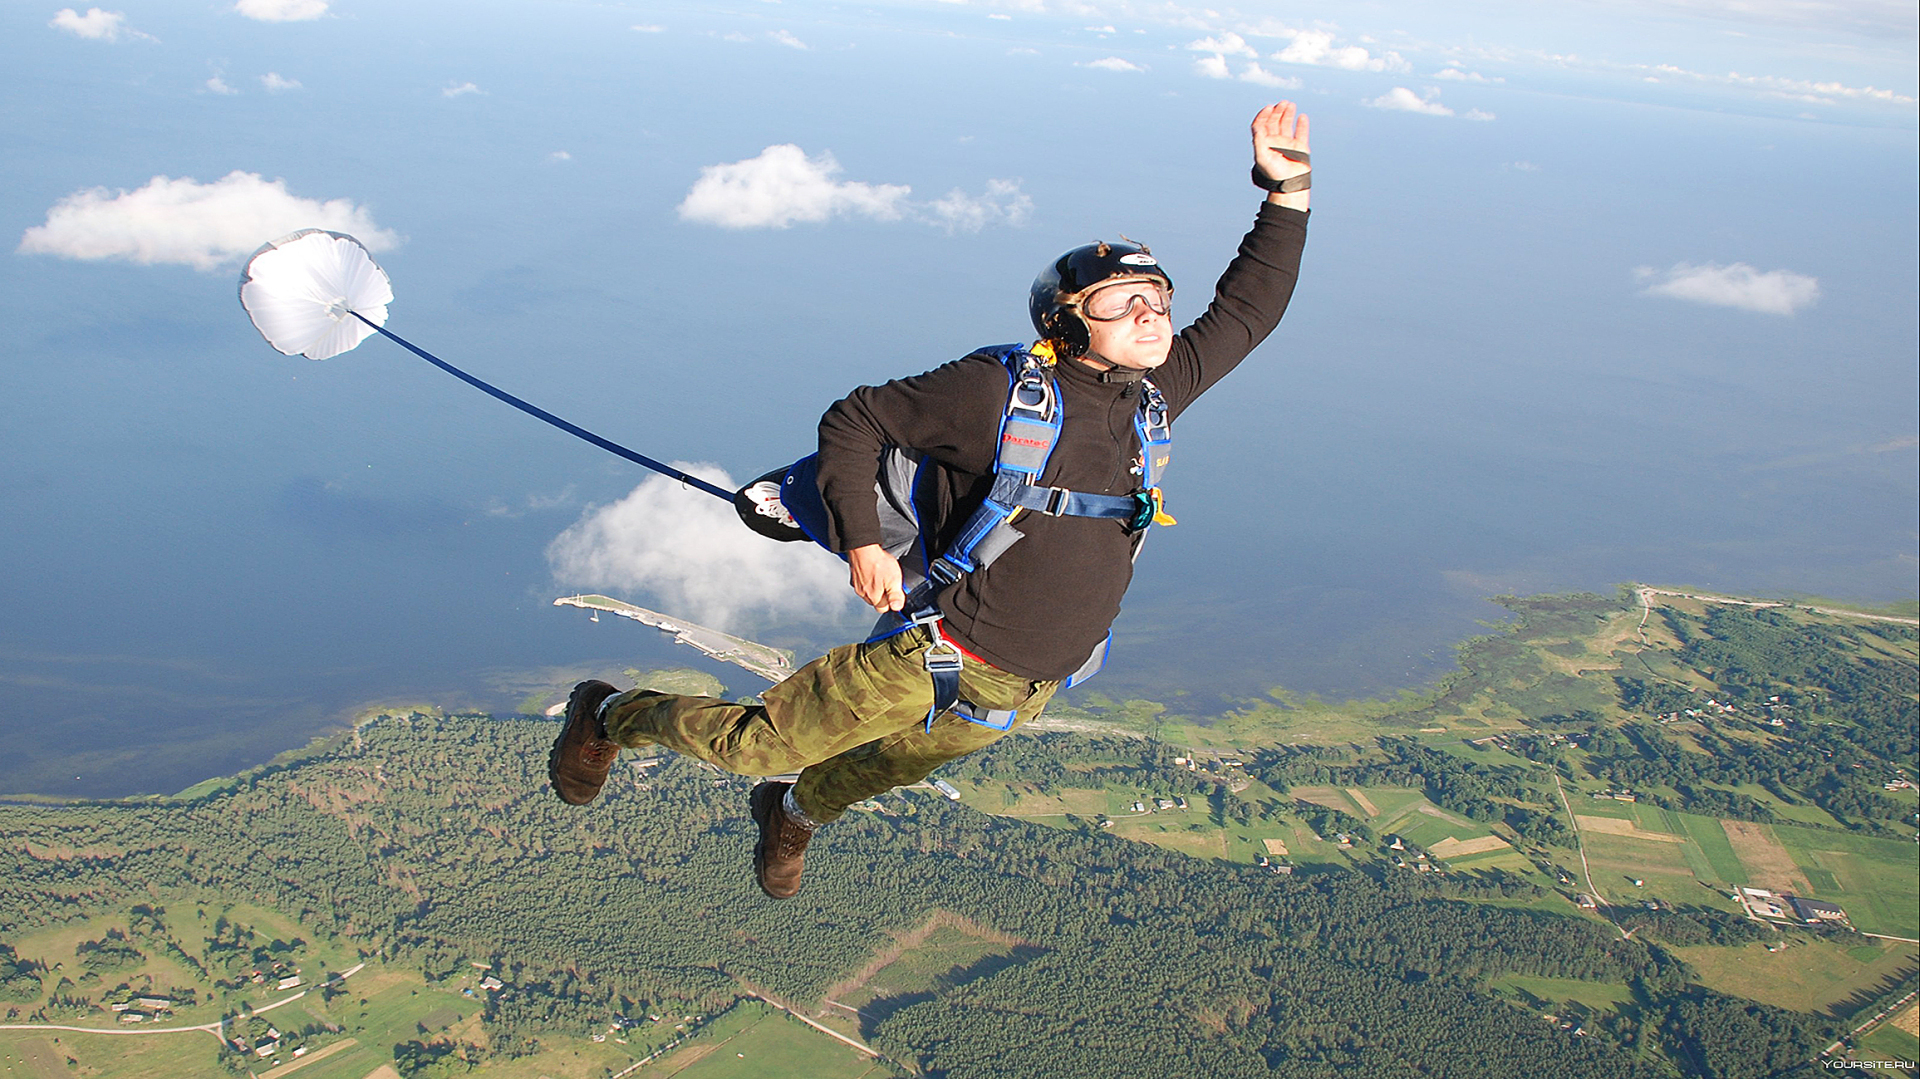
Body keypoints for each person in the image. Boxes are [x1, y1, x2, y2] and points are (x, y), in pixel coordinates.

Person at [549, 101, 1312, 899]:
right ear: (1065, 321)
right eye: (1122, 303)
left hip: (1028, 686)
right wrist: (862, 542)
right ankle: (608, 716)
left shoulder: (1155, 395)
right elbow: (857, 419)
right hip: (938, 649)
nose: (1152, 315)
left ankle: (792, 815)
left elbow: (1249, 310)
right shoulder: (998, 395)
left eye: (1157, 298)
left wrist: (1286, 193)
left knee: (875, 770)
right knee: (761, 743)